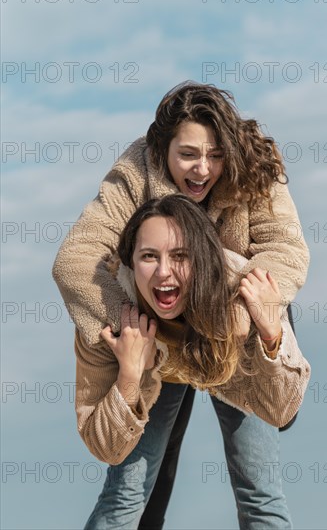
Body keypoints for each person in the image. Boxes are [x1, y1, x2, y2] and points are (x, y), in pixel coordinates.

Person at [52, 81, 310, 528]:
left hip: (236, 335)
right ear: (161, 149)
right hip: (162, 336)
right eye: (188, 154)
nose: (202, 169)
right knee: (133, 488)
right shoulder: (137, 169)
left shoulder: (253, 166)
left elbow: (287, 251)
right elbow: (76, 260)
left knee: (258, 488)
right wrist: (134, 329)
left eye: (214, 155)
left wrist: (237, 313)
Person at [74, 194, 311, 528]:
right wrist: (129, 374)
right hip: (156, 367)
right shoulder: (110, 318)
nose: (163, 272)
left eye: (180, 256)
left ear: (202, 258)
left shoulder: (246, 292)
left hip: (227, 350)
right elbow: (106, 447)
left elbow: (283, 410)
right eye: (148, 256)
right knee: (125, 492)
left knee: (259, 493)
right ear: (130, 260)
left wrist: (272, 335)